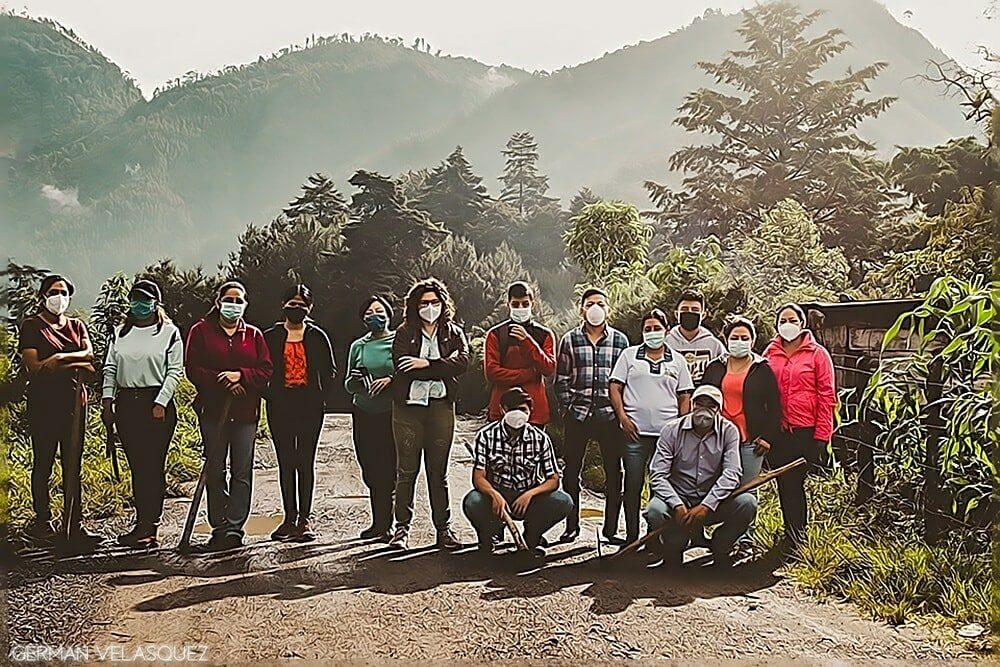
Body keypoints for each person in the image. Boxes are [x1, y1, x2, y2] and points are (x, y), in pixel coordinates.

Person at [185, 281, 273, 551]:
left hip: (245, 413)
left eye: (239, 300)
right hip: (212, 411)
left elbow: (266, 370)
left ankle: (235, 526)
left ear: (245, 304)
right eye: (229, 299)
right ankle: (218, 525)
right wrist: (221, 380)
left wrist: (241, 377)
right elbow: (193, 368)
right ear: (218, 301)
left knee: (242, 470)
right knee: (215, 468)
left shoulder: (254, 335)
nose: (233, 305)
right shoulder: (200, 331)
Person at [101, 279, 183, 549]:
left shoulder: (169, 333)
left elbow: (174, 371)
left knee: (153, 465)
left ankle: (151, 526)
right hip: (127, 403)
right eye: (135, 299)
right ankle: (141, 523)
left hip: (156, 402)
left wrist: (160, 402)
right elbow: (110, 368)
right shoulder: (119, 333)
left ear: (155, 303)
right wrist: (107, 398)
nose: (140, 304)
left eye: (145, 299)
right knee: (137, 466)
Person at [389, 278, 469, 551]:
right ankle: (401, 529)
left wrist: (426, 363)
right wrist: (441, 367)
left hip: (441, 406)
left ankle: (443, 529)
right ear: (414, 306)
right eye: (424, 303)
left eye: (435, 302)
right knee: (406, 471)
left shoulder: (453, 332)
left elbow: (463, 362)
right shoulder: (404, 332)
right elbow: (402, 366)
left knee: (439, 472)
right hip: (408, 408)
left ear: (443, 304)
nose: (430, 307)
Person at [18, 274, 98, 545]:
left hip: (75, 405)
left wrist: (58, 358)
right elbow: (36, 368)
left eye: (64, 292)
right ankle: (43, 522)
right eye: (54, 292)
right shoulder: (32, 326)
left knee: (72, 464)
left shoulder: (77, 325)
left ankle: (74, 523)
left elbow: (90, 359)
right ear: (43, 295)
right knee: (44, 463)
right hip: (43, 405)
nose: (59, 297)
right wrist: (74, 362)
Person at [645, 385, 755, 568]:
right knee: (655, 510)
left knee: (747, 503)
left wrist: (707, 505)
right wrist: (677, 504)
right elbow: (657, 474)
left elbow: (732, 473)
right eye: (699, 403)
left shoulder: (729, 431)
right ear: (692, 405)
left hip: (714, 499)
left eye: (710, 405)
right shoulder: (671, 430)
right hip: (679, 498)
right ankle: (674, 547)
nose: (703, 409)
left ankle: (721, 547)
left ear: (718, 410)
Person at [609, 309, 693, 545]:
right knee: (633, 483)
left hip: (667, 437)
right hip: (634, 433)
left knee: (661, 486)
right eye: (648, 329)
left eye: (657, 328)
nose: (653, 333)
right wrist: (622, 418)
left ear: (666, 331)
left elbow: (684, 395)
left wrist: (681, 426)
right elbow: (615, 387)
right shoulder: (629, 356)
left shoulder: (677, 360)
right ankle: (632, 536)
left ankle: (654, 537)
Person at [554, 288, 629, 544]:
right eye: (590, 303)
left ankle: (611, 529)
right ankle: (571, 526)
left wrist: (621, 411)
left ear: (608, 309)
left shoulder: (621, 341)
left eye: (600, 303)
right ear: (581, 309)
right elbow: (561, 379)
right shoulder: (569, 340)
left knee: (614, 472)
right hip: (578, 415)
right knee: (572, 470)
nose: (595, 307)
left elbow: (626, 382)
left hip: (609, 416)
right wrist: (568, 408)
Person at [701, 316, 782, 555]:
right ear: (726, 340)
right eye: (734, 337)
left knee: (747, 490)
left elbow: (774, 406)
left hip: (749, 440)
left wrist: (767, 436)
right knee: (711, 484)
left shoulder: (762, 369)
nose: (739, 341)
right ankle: (704, 534)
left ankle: (744, 539)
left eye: (744, 338)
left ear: (753, 340)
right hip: (716, 440)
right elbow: (703, 400)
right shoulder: (715, 367)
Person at [462, 387, 573, 559]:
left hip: (528, 494)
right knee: (473, 501)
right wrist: (493, 495)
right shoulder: (486, 435)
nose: (517, 414)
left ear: (530, 412)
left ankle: (532, 536)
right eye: (512, 409)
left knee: (563, 501)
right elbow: (478, 477)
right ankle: (488, 537)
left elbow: (553, 479)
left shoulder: (540, 438)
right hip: (498, 493)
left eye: (522, 410)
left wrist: (530, 494)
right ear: (502, 410)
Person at [263, 284, 336, 543]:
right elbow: (261, 369)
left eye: (301, 304)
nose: (296, 308)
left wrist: (319, 395)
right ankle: (288, 517)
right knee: (285, 462)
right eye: (291, 303)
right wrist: (269, 394)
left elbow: (330, 371)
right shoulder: (270, 336)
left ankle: (305, 518)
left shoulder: (317, 336)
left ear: (310, 307)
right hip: (279, 405)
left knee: (305, 461)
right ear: (283, 305)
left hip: (310, 406)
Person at [763, 303, 836, 546]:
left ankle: (796, 536)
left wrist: (822, 435)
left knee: (794, 482)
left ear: (802, 324)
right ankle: (791, 534)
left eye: (792, 320)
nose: (788, 325)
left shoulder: (818, 354)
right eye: (783, 320)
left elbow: (827, 395)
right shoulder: (770, 353)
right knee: (784, 483)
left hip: (805, 430)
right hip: (778, 430)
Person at [345, 295, 397, 541]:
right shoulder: (358, 346)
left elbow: (408, 374)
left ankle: (392, 524)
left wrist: (390, 380)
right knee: (370, 468)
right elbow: (347, 384)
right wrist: (356, 380)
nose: (374, 315)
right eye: (368, 313)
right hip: (364, 413)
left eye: (379, 310)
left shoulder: (399, 341)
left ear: (388, 313)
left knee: (390, 468)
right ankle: (378, 523)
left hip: (392, 413)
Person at [484, 281, 556, 427]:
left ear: (532, 304)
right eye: (516, 304)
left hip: (535, 413)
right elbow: (491, 373)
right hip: (501, 410)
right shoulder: (496, 334)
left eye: (525, 304)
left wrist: (528, 342)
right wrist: (528, 374)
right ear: (508, 304)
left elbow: (549, 369)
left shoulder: (544, 335)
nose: (520, 308)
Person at [665, 289, 726, 385]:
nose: (689, 313)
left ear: (703, 315)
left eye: (695, 310)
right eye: (684, 309)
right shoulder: (666, 343)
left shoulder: (715, 345)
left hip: (704, 397)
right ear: (676, 314)